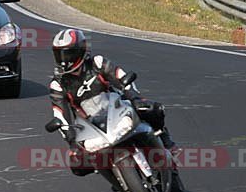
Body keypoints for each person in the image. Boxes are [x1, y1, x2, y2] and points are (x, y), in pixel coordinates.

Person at [48, 28, 177, 176]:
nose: (65, 60)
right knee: (77, 165)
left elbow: (121, 77)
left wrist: (134, 98)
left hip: (117, 106)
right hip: (89, 125)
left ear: (81, 50)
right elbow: (59, 113)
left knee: (151, 109)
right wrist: (72, 142)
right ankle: (116, 174)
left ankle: (166, 140)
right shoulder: (58, 84)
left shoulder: (97, 63)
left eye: (68, 53)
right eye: (59, 54)